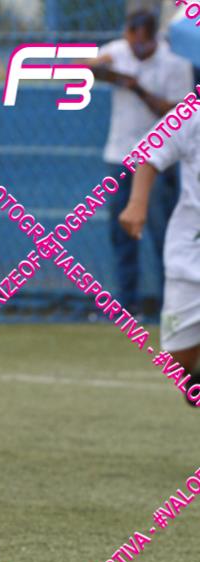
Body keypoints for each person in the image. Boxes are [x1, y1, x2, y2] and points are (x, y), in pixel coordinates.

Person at [90, 8, 193, 313]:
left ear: (153, 39)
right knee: (121, 232)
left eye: (142, 43)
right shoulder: (119, 51)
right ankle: (127, 304)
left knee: (164, 233)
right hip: (120, 155)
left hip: (159, 159)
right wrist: (110, 73)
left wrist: (138, 89)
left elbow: (178, 113)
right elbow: (84, 67)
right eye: (131, 40)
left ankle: (170, 305)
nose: (135, 49)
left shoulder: (174, 62)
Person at [119, 112, 200, 405]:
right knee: (178, 361)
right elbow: (149, 152)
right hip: (190, 256)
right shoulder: (191, 116)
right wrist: (137, 202)